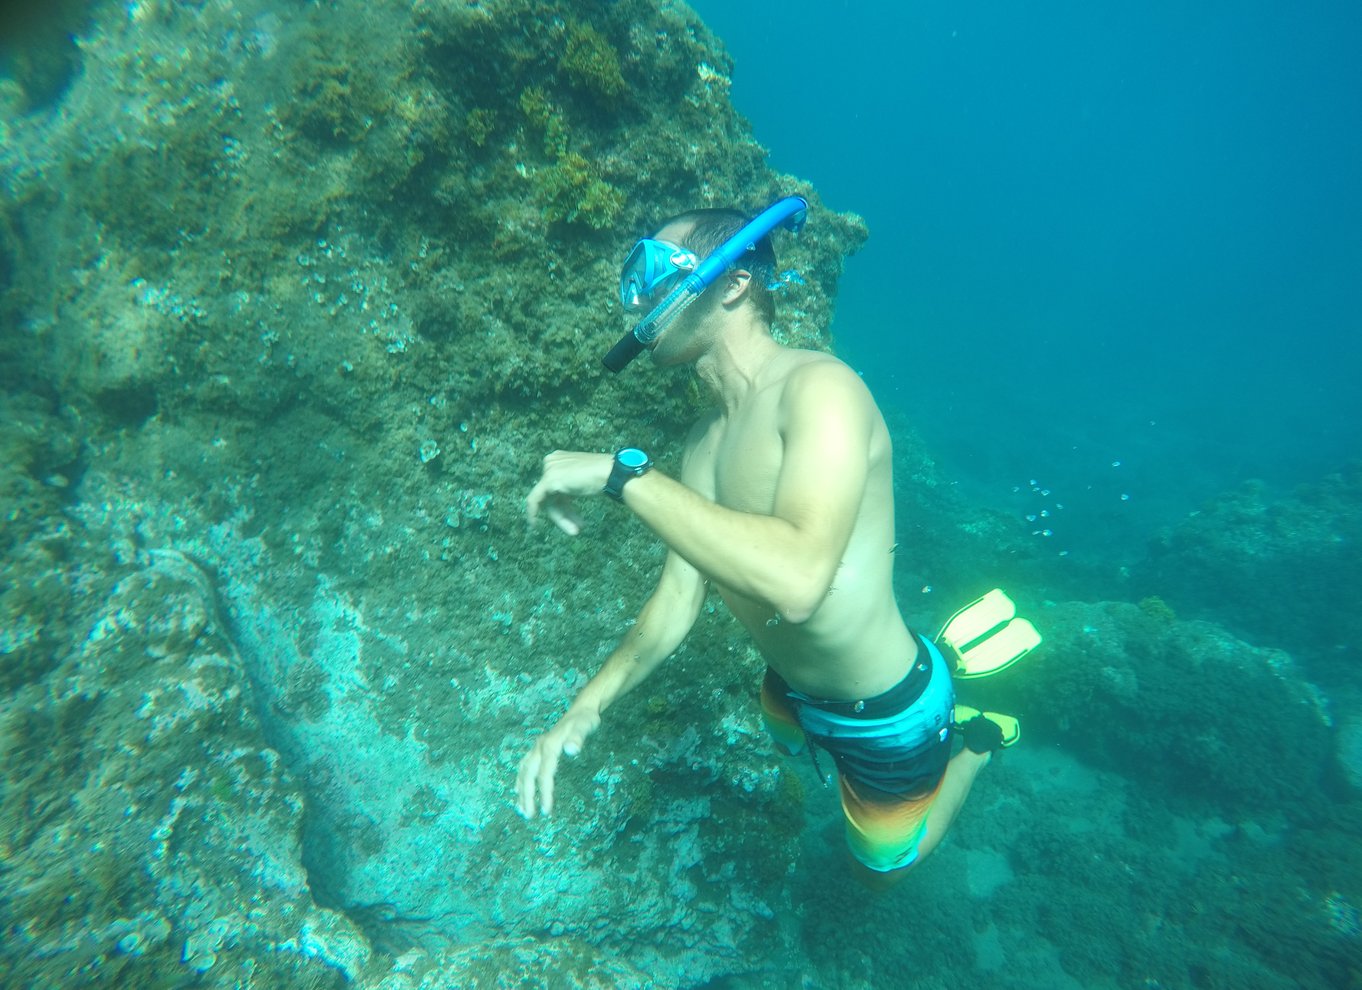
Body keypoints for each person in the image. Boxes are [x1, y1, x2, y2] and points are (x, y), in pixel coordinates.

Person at [517, 204, 1010, 882]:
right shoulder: (702, 445)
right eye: (634, 279)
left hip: (885, 711)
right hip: (791, 688)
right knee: (783, 739)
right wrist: (584, 706)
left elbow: (799, 583)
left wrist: (621, 474)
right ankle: (929, 677)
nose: (636, 300)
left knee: (884, 858)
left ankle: (977, 740)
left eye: (655, 273)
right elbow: (675, 603)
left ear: (733, 284)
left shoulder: (821, 390)